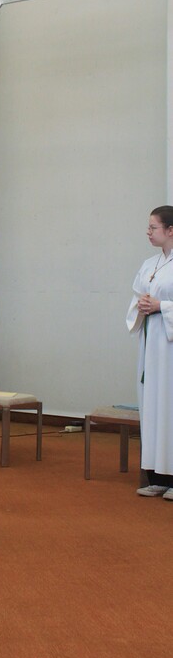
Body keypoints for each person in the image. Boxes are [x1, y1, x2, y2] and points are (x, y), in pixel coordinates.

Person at [126, 205, 173, 498]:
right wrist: (142, 305)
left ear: (171, 230)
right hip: (152, 345)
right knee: (153, 405)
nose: (148, 232)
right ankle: (157, 476)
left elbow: (162, 302)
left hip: (169, 346)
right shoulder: (150, 264)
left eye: (153, 227)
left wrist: (162, 306)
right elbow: (136, 298)